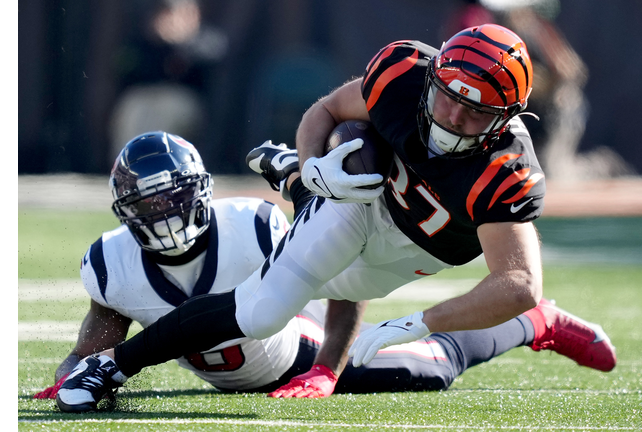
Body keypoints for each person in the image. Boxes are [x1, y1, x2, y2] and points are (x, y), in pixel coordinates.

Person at [55, 24, 617, 412]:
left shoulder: (508, 171)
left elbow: (518, 282)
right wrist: (312, 167)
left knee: (398, 340)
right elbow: (324, 110)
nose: (453, 114)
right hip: (360, 201)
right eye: (448, 95)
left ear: (507, 118)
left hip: (409, 254)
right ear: (436, 73)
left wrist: (423, 321)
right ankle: (114, 367)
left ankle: (536, 325)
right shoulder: (404, 74)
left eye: (476, 112)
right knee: (260, 311)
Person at [37, 130, 570, 408]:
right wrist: (70, 376)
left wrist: (327, 369)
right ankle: (295, 176)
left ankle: (533, 322)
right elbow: (90, 351)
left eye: (173, 198)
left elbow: (343, 271)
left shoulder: (249, 223)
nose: (166, 215)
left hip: (298, 347)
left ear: (201, 192)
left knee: (428, 367)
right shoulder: (111, 264)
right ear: (125, 213)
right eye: (149, 206)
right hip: (238, 365)